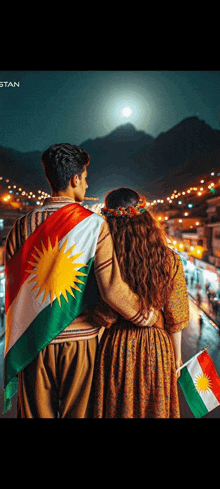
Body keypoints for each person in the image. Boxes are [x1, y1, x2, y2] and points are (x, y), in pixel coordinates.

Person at [4, 145, 158, 418]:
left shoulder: (21, 226)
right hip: (81, 343)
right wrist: (145, 315)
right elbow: (112, 289)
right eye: (85, 178)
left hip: (33, 344)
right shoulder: (94, 225)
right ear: (75, 179)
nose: (86, 183)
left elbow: (14, 291)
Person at [89, 188, 189, 418]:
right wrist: (176, 358)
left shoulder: (106, 264)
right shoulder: (169, 259)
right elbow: (177, 315)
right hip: (158, 349)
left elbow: (103, 314)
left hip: (117, 347)